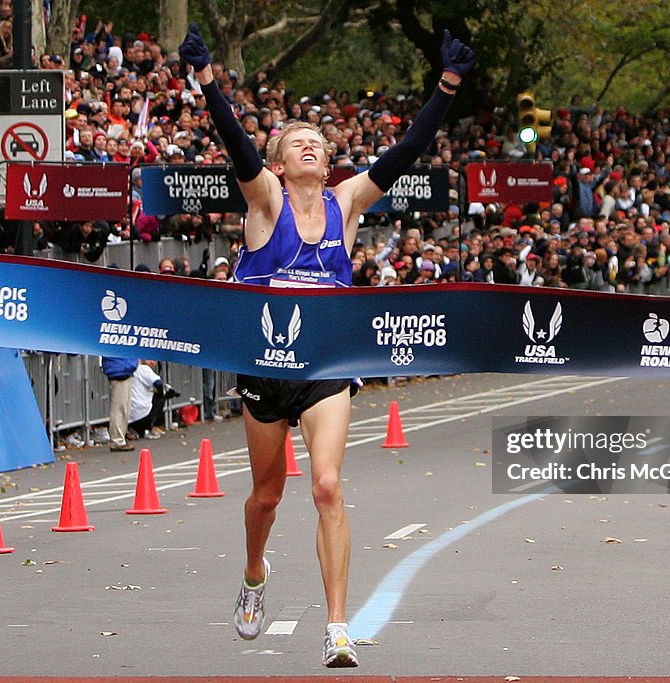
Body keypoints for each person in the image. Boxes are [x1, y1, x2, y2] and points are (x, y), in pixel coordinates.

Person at [180, 23, 474, 668]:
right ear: (279, 162)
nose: (311, 145)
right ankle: (255, 574)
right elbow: (234, 144)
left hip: (325, 368)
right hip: (263, 369)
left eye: (318, 140)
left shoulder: (345, 203)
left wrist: (447, 86)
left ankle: (337, 627)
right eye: (297, 142)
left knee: (327, 485)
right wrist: (206, 82)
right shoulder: (264, 202)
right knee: (267, 495)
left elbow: (404, 154)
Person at [101, 355, 137, 451]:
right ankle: (117, 440)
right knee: (119, 408)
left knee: (123, 407)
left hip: (122, 368)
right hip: (120, 369)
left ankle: (120, 438)